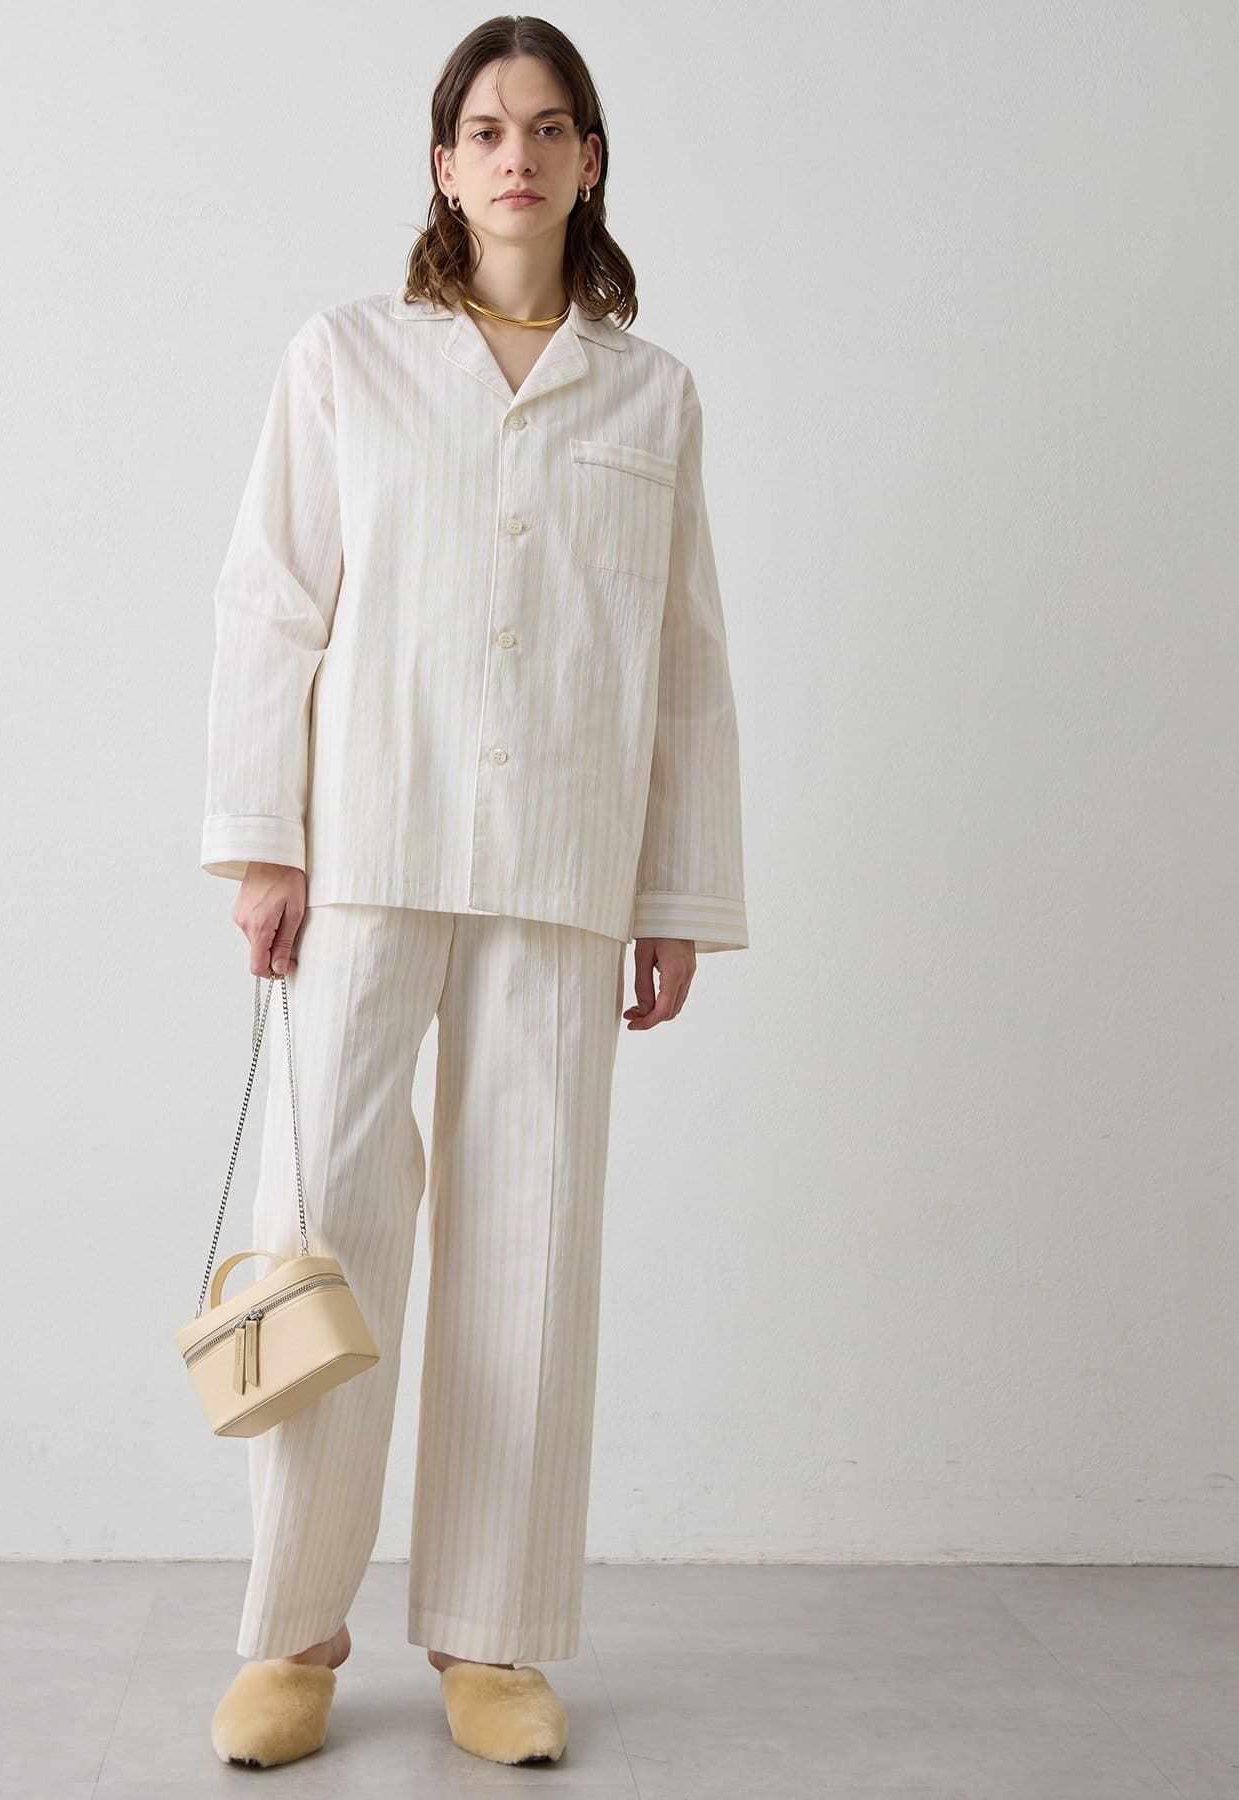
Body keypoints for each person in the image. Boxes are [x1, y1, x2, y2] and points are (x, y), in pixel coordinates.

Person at [201, 15, 748, 1771]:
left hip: (563, 862)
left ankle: (491, 1634)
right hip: (367, 851)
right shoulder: (347, 358)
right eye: (489, 128)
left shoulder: (650, 393)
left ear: (590, 162)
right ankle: (293, 1628)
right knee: (327, 1228)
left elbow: (683, 664)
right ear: (444, 165)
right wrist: (265, 839)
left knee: (530, 1241)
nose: (519, 154)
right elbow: (272, 601)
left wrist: (677, 891)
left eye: (551, 127)